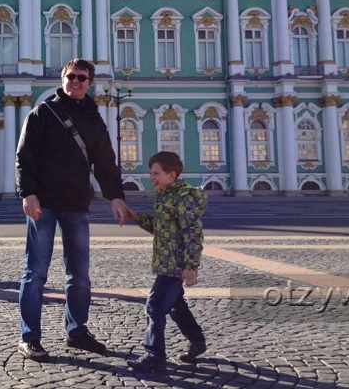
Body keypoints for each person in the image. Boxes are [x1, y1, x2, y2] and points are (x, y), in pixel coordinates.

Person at [16, 58, 128, 361]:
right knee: (35, 273)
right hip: (45, 203)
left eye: (82, 78)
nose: (76, 82)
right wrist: (28, 193)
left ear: (89, 83)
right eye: (71, 76)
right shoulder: (43, 112)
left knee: (79, 274)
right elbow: (25, 156)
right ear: (62, 78)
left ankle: (76, 331)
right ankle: (29, 338)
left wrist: (116, 196)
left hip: (77, 204)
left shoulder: (93, 117)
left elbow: (105, 160)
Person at [124, 151, 208, 374]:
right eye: (151, 173)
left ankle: (154, 356)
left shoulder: (182, 198)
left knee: (154, 307)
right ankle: (197, 341)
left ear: (171, 175)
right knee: (176, 306)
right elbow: (160, 228)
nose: (151, 177)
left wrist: (191, 267)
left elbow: (193, 233)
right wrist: (135, 217)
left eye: (156, 173)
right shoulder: (165, 195)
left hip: (175, 266)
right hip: (167, 263)